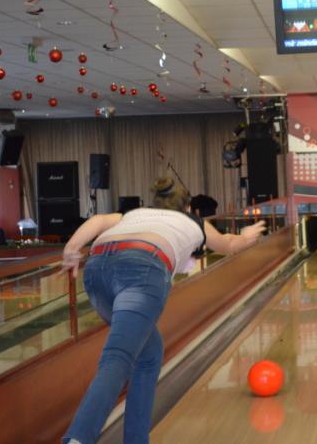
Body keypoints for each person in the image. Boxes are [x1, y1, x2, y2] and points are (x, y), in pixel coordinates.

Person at [61, 177, 265, 444]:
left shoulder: (135, 214)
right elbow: (228, 244)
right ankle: (77, 439)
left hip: (97, 270)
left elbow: (98, 221)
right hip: (142, 267)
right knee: (118, 358)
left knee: (149, 354)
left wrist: (71, 248)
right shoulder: (194, 222)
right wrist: (247, 237)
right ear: (189, 207)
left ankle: (136, 439)